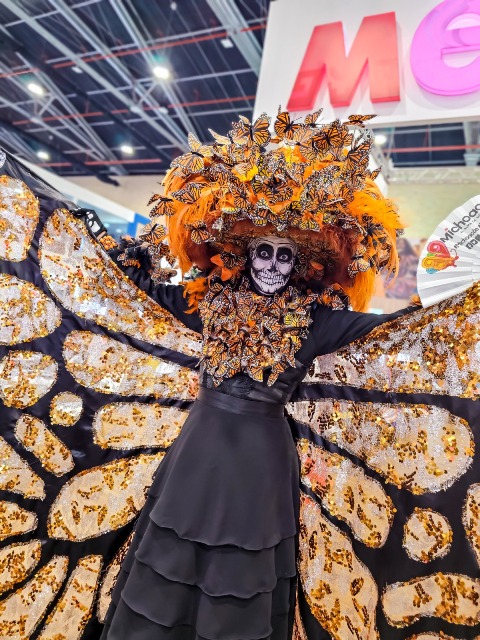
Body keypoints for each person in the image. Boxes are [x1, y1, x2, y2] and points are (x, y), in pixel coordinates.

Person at [98, 111, 416, 640]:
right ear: (245, 256)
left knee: (240, 576)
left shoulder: (315, 321)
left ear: (299, 265)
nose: (271, 265)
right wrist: (119, 256)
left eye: (283, 257)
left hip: (261, 465)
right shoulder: (209, 304)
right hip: (196, 453)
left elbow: (391, 329)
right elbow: (145, 293)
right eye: (262, 252)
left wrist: (446, 302)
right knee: (171, 560)